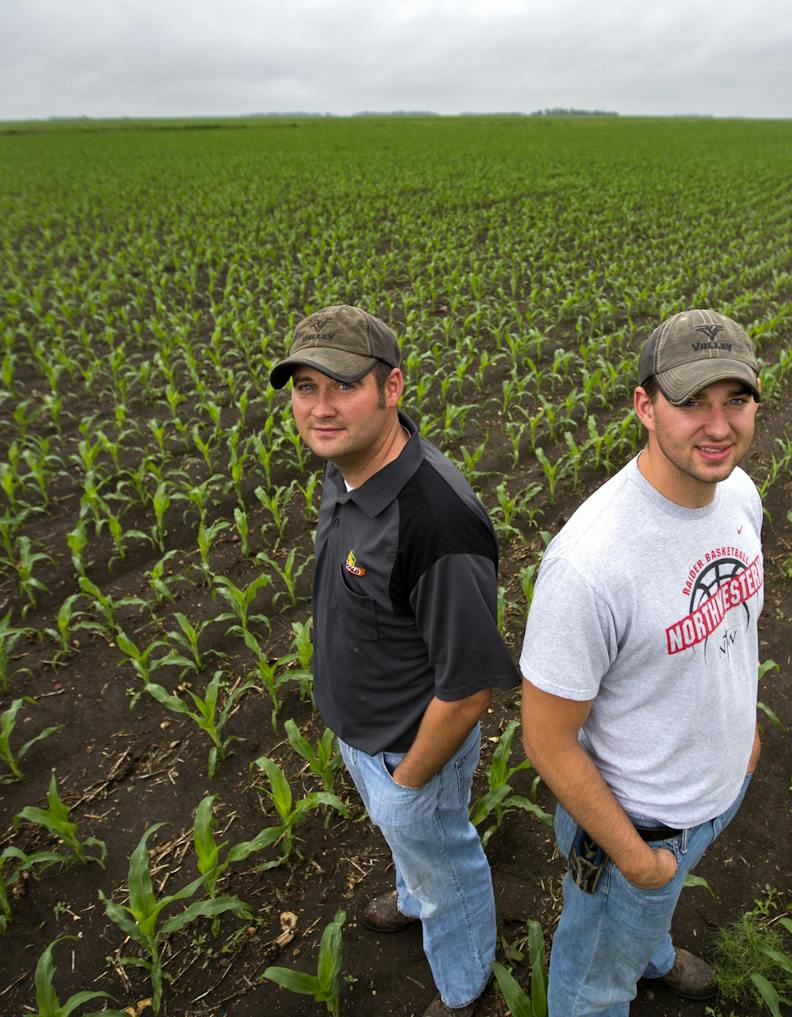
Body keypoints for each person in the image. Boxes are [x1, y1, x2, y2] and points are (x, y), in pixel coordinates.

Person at [269, 304, 518, 1017]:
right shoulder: (345, 465)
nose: (319, 408)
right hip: (362, 732)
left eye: (341, 386)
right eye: (304, 387)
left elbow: (470, 690)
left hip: (412, 750)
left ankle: (465, 983)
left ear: (393, 388)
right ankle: (415, 895)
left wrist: (408, 782)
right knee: (418, 851)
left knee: (447, 862)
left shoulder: (436, 519)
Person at [519, 309, 765, 1017]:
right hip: (639, 824)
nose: (718, 426)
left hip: (715, 794)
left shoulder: (739, 495)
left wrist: (743, 739)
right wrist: (634, 857)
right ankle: (627, 946)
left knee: (645, 913)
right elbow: (547, 739)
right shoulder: (591, 564)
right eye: (691, 402)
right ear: (644, 406)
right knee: (593, 982)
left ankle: (649, 944)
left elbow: (737, 622)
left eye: (736, 399)